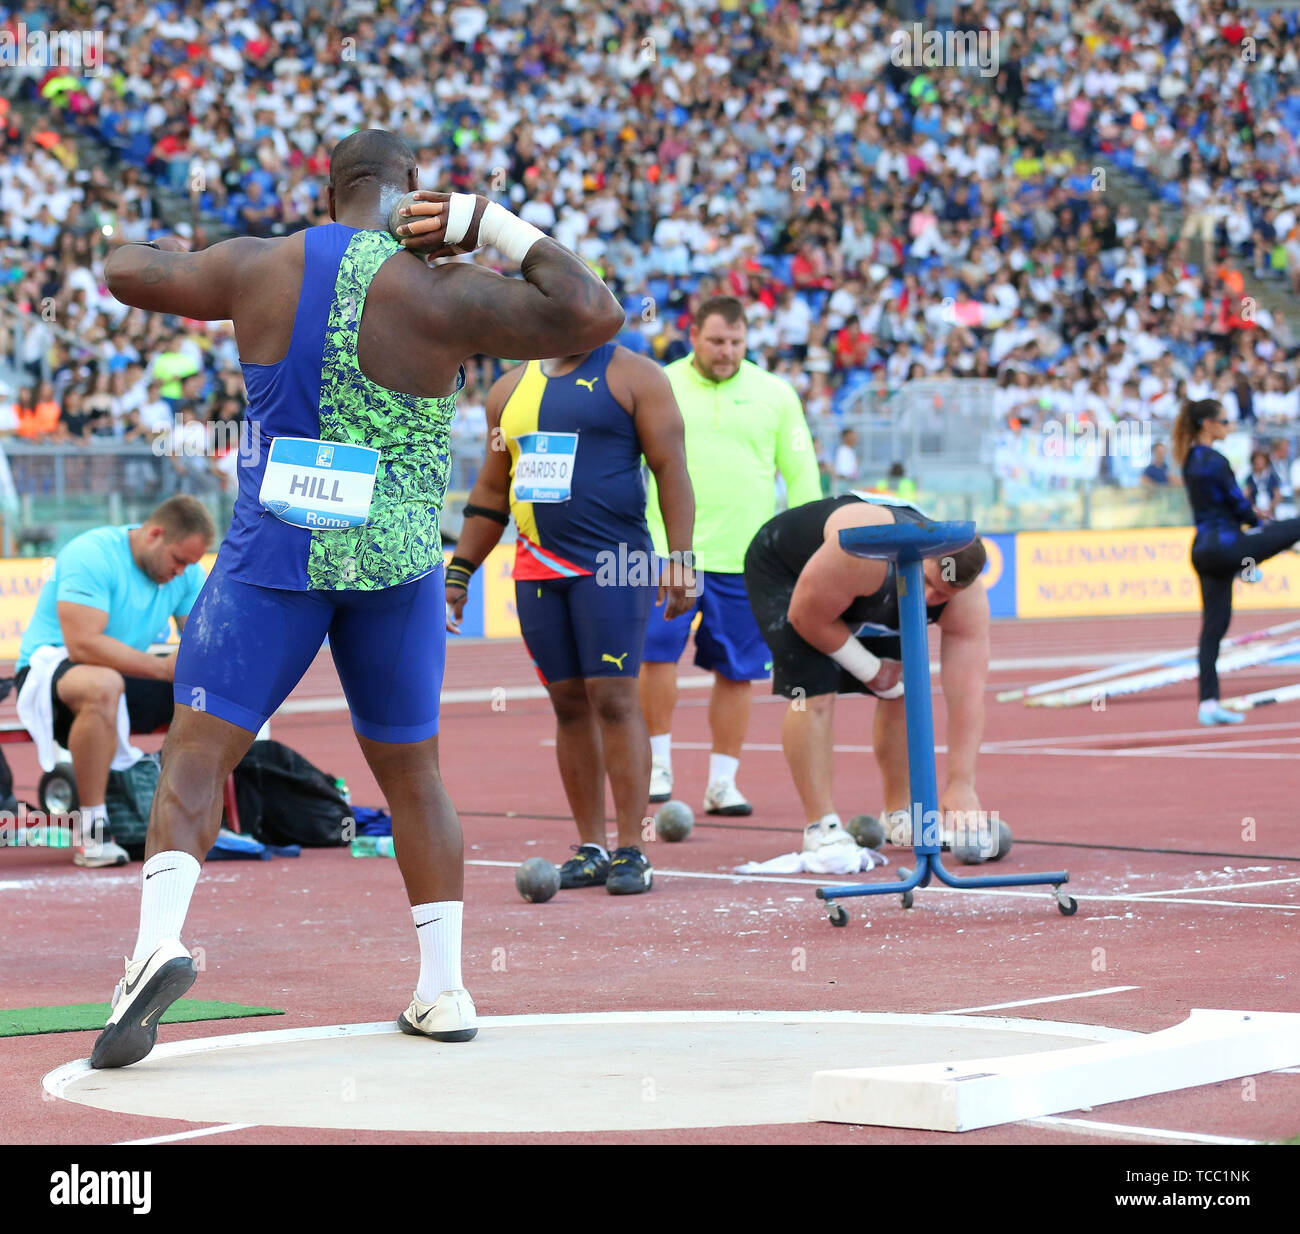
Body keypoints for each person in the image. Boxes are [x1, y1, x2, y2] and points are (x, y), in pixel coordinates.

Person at [89, 128, 624, 1069]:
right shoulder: (445, 292)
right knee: (414, 777)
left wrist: (201, 253)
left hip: (274, 557)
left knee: (198, 752)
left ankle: (156, 946)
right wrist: (486, 223)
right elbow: (592, 314)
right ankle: (443, 988)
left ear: (328, 186)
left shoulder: (259, 266)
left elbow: (127, 270)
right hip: (399, 566)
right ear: (416, 191)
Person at [447, 344, 694, 895]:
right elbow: (492, 489)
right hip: (537, 567)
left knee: (614, 697)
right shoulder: (507, 391)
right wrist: (460, 570)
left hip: (616, 563)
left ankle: (632, 850)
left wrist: (680, 559)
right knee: (568, 705)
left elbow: (671, 468)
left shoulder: (636, 376)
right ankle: (592, 849)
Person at [640, 295, 822, 815]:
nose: (727, 352)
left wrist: (806, 549)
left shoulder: (776, 394)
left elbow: (803, 474)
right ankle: (657, 765)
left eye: (737, 343)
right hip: (665, 552)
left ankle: (723, 784)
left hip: (747, 559)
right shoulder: (660, 383)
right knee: (653, 657)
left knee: (739, 672)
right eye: (717, 341)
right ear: (693, 334)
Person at [743, 492, 990, 853]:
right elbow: (805, 618)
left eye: (942, 594)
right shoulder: (864, 553)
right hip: (791, 575)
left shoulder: (965, 600)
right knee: (814, 691)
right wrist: (871, 669)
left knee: (901, 690)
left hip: (879, 588)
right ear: (922, 557)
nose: (928, 597)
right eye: (927, 582)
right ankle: (822, 826)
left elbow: (967, 696)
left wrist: (961, 783)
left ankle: (898, 815)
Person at [12, 497, 214, 868]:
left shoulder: (187, 576)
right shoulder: (90, 554)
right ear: (155, 535)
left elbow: (200, 644)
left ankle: (205, 815)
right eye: (179, 560)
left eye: (191, 563)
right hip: (51, 669)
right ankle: (93, 828)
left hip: (121, 675)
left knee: (216, 696)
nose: (183, 572)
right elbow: (83, 644)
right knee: (104, 684)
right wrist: (161, 669)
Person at [1172, 399, 1300, 726]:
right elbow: (1238, 506)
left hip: (1204, 552)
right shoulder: (1215, 460)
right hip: (1227, 546)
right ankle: (1249, 566)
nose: (1229, 427)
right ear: (1208, 424)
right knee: (1294, 526)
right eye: (1225, 422)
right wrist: (1266, 527)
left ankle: (1209, 704)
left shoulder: (1188, 460)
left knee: (1213, 630)